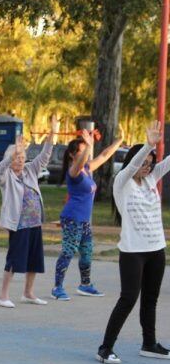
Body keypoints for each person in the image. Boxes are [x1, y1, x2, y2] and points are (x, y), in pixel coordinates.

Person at [97, 122, 170, 364]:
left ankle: (149, 344)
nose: (147, 168)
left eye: (151, 164)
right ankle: (105, 348)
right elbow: (133, 166)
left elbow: (166, 164)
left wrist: (154, 154)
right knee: (128, 298)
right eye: (144, 163)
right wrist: (149, 144)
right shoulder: (123, 182)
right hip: (133, 253)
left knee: (151, 299)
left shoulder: (150, 180)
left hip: (156, 250)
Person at [52, 125, 123, 300]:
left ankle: (85, 285)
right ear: (72, 155)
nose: (87, 153)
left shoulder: (88, 169)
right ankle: (57, 288)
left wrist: (119, 140)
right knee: (68, 251)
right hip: (72, 218)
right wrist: (89, 145)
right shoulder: (73, 171)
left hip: (84, 220)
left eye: (86, 150)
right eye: (83, 151)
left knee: (87, 251)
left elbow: (105, 155)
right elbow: (81, 161)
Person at [0, 116, 58, 308]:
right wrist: (12, 154)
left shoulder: (30, 170)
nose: (21, 161)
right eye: (17, 158)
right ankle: (3, 296)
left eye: (22, 158)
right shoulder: (6, 177)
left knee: (34, 259)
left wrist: (52, 133)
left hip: (35, 223)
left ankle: (28, 293)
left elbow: (45, 156)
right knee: (14, 259)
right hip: (18, 224)